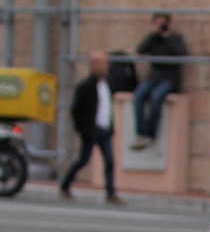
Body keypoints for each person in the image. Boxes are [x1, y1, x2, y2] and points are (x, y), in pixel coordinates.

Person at [59, 50, 120, 203]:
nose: (106, 66)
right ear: (94, 65)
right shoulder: (85, 86)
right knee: (83, 159)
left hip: (105, 128)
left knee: (110, 160)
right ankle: (65, 184)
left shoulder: (108, 83)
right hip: (91, 129)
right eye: (102, 63)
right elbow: (76, 110)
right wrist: (82, 128)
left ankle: (110, 192)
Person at [130, 12, 186, 149]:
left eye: (163, 23)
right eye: (157, 23)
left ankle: (151, 134)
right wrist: (153, 35)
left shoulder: (176, 38)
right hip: (154, 76)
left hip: (170, 78)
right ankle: (141, 133)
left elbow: (182, 55)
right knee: (138, 94)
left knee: (156, 96)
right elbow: (140, 49)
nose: (161, 26)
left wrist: (168, 38)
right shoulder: (153, 39)